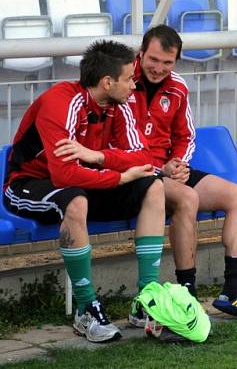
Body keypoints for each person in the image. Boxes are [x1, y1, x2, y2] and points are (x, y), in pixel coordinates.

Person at [3, 40, 165, 342]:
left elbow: (144, 157)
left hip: (88, 176)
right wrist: (117, 178)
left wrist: (99, 156)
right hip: (28, 183)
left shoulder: (118, 105)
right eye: (129, 78)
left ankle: (146, 299)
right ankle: (86, 307)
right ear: (107, 82)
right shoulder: (61, 101)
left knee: (153, 186)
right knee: (75, 199)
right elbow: (62, 173)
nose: (134, 85)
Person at [127, 25, 237, 317]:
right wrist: (159, 168)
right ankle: (187, 292)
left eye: (167, 62)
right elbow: (119, 142)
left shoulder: (177, 86)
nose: (159, 68)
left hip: (170, 169)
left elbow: (186, 136)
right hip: (137, 172)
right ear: (141, 54)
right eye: (153, 60)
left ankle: (234, 290)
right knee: (187, 198)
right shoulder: (123, 82)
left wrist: (177, 163)